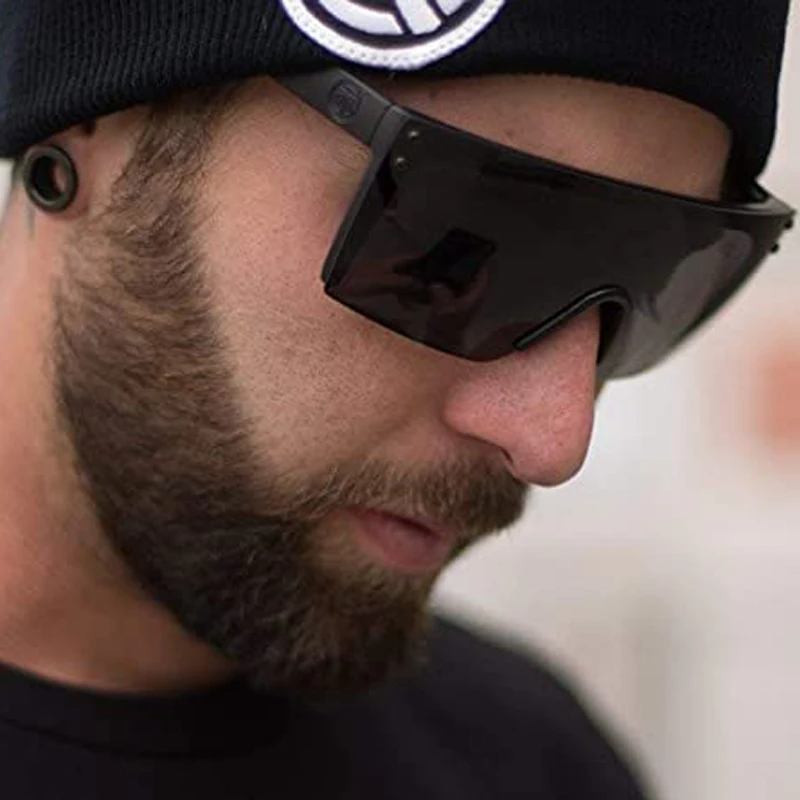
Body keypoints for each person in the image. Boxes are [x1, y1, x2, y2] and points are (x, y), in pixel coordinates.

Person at [0, 1, 794, 798]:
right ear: (92, 119)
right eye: (452, 252)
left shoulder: (536, 767)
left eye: (666, 278)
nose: (554, 441)